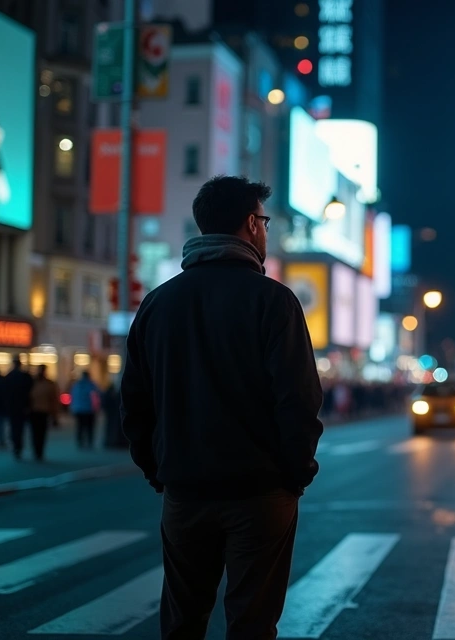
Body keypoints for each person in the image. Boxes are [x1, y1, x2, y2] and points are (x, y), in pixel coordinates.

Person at [121, 176, 323, 639]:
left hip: (184, 491)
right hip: (260, 491)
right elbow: (299, 399)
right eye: (265, 221)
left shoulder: (158, 303)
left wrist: (159, 470)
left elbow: (134, 402)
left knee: (182, 620)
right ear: (252, 225)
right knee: (252, 621)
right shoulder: (273, 300)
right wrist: (295, 472)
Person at [3, 357, 33, 460]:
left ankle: (16, 446)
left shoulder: (9, 376)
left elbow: (5, 393)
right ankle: (18, 447)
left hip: (13, 407)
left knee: (14, 428)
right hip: (22, 407)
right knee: (19, 429)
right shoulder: (24, 376)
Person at [28, 365, 60, 462]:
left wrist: (54, 416)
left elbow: (54, 401)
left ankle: (39, 452)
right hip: (34, 412)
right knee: (35, 433)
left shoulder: (49, 384)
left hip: (43, 412)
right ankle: (37, 451)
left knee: (41, 433)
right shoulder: (32, 383)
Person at [69, 371, 101, 450]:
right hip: (89, 409)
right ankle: (89, 442)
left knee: (80, 427)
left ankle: (80, 442)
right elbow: (96, 396)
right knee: (90, 427)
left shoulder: (76, 385)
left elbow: (73, 397)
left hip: (79, 409)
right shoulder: (91, 385)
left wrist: (73, 408)